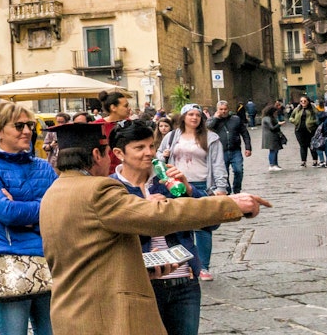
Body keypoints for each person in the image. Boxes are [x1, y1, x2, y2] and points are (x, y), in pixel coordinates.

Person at [39, 120, 270, 335]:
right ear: (96, 154)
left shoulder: (53, 193)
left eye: (151, 146)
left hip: (71, 313)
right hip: (106, 314)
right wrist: (230, 203)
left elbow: (93, 252)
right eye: (108, 154)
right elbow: (161, 215)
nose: (148, 153)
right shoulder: (98, 189)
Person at [108, 120, 205, 335]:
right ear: (119, 153)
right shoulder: (111, 188)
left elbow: (208, 223)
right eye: (139, 148)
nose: (149, 153)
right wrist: (145, 211)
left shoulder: (166, 181)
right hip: (140, 285)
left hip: (184, 281)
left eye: (151, 146)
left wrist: (189, 189)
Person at [0, 101, 55, 335]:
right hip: (8, 258)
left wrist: (22, 211)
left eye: (29, 124)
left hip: (48, 258)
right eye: (19, 126)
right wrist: (40, 210)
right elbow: (5, 212)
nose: (27, 131)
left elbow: (59, 208)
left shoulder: (43, 166)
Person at [158, 105, 229, 281]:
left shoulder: (211, 138)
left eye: (197, 115)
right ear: (183, 117)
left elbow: (218, 163)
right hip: (176, 185)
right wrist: (163, 156)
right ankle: (189, 264)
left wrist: (221, 188)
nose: (194, 118)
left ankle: (203, 266)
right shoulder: (172, 136)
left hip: (202, 184)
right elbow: (158, 155)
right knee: (181, 226)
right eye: (191, 114)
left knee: (203, 227)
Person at [209, 101, 252, 193]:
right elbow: (207, 128)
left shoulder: (235, 119)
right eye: (221, 109)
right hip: (221, 151)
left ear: (228, 109)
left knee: (238, 170)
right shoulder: (213, 120)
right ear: (217, 110)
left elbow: (244, 133)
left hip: (235, 150)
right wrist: (215, 118)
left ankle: (237, 189)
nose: (223, 111)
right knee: (224, 173)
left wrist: (248, 147)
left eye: (225, 109)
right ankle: (227, 191)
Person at [289, 96, 319, 167]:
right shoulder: (297, 109)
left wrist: (312, 122)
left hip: (310, 130)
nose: (303, 102)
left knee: (311, 145)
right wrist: (294, 121)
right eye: (301, 101)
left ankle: (315, 161)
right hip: (299, 130)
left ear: (308, 101)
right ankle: (303, 161)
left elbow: (318, 118)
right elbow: (291, 117)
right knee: (302, 146)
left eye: (304, 101)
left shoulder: (313, 109)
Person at [261, 102, 288, 173]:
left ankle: (275, 164)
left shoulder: (269, 118)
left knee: (275, 150)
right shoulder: (267, 118)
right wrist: (279, 124)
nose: (276, 113)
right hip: (271, 137)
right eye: (275, 111)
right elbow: (272, 128)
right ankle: (272, 165)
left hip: (273, 137)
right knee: (273, 151)